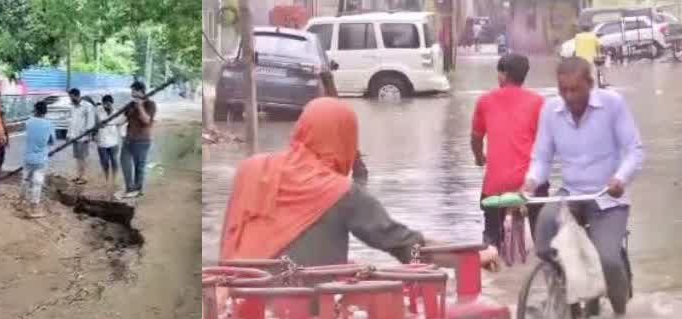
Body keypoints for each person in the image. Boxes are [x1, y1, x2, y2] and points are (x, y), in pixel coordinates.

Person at [221, 97, 445, 267]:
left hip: (233, 298)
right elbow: (406, 245)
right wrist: (472, 257)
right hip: (304, 307)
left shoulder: (249, 170)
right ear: (345, 139)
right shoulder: (341, 192)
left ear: (301, 129)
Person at [523, 57, 644, 317]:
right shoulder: (550, 111)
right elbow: (542, 158)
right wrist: (531, 182)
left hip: (607, 197)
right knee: (543, 243)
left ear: (590, 84)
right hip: (570, 193)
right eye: (563, 89)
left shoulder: (613, 104)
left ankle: (620, 315)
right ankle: (566, 293)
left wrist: (620, 178)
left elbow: (634, 151)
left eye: (575, 89)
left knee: (608, 259)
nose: (568, 96)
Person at [471, 53, 549, 250]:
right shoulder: (539, 101)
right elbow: (545, 142)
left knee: (491, 237)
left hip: (497, 184)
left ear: (503, 74)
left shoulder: (484, 101)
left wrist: (479, 158)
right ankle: (544, 259)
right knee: (542, 233)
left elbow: (476, 138)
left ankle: (491, 249)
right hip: (531, 182)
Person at [119, 81, 157, 199]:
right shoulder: (130, 104)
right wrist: (108, 124)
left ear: (140, 91)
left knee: (139, 166)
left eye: (133, 91)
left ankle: (138, 189)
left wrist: (140, 105)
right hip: (129, 139)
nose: (132, 93)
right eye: (132, 91)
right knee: (124, 162)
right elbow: (123, 119)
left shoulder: (150, 104)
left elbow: (146, 120)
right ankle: (130, 188)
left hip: (142, 141)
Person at [22, 100, 56, 218]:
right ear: (45, 112)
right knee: (37, 183)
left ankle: (21, 203)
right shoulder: (49, 124)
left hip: (28, 157)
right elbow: (52, 141)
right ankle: (34, 208)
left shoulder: (28, 122)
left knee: (25, 180)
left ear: (35, 110)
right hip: (41, 159)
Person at [95, 94, 125, 191]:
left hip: (113, 141)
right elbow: (95, 125)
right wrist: (96, 131)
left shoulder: (117, 112)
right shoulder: (98, 112)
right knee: (104, 162)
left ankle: (114, 180)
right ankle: (106, 179)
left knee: (114, 161)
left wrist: (122, 136)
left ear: (112, 103)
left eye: (109, 104)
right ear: (103, 104)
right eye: (105, 104)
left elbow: (121, 124)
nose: (107, 106)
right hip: (101, 141)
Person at [67, 88, 96, 184]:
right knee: (77, 157)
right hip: (74, 137)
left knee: (82, 157)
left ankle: (83, 177)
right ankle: (78, 175)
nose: (70, 99)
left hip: (83, 137)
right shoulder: (73, 107)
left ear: (76, 95)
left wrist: (86, 135)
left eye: (71, 97)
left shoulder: (88, 106)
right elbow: (71, 122)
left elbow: (91, 123)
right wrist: (69, 135)